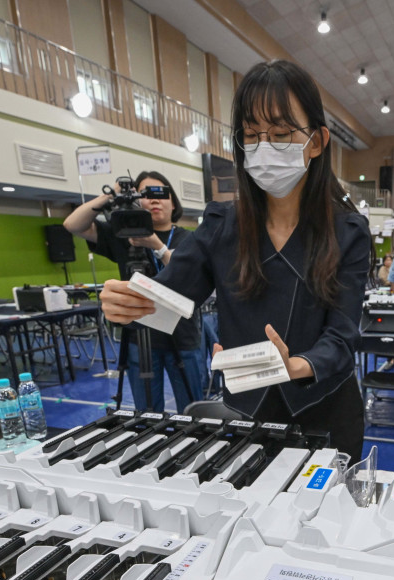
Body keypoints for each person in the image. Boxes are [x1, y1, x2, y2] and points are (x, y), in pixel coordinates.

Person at [97, 60, 371, 462]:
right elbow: (169, 296)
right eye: (252, 135)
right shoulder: (222, 225)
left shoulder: (348, 231)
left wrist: (297, 365)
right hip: (250, 413)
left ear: (316, 142)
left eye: (280, 134)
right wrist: (127, 303)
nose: (265, 148)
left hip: (328, 411)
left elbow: (343, 336)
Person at [63, 171, 204, 412]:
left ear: (173, 203)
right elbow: (72, 224)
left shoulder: (188, 238)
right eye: (146, 194)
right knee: (147, 412)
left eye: (161, 194)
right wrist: (111, 195)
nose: (154, 200)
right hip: (139, 334)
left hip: (182, 333)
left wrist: (156, 245)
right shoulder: (122, 235)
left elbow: (190, 274)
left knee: (193, 409)